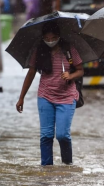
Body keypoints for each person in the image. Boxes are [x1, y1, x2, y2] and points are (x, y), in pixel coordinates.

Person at [16, 22, 84, 166]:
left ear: (59, 36)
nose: (51, 41)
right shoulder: (39, 51)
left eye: (53, 37)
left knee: (62, 135)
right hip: (45, 96)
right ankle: (46, 170)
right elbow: (31, 73)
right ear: (43, 38)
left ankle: (67, 165)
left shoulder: (69, 49)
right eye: (47, 38)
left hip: (67, 97)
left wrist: (70, 76)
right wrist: (21, 98)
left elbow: (80, 70)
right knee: (46, 136)